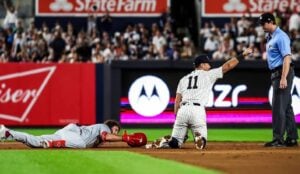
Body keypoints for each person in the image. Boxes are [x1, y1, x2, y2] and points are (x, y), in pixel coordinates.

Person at [146, 48, 253, 150]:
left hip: (183, 110)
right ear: (202, 65)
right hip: (197, 111)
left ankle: (170, 140)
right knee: (202, 143)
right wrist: (242, 55)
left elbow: (177, 101)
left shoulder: (183, 79)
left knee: (176, 143)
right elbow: (228, 65)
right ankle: (199, 137)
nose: (210, 66)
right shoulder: (208, 75)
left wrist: (177, 118)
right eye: (207, 63)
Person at [258, 12, 298, 147]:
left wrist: (283, 77)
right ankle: (292, 138)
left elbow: (287, 57)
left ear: (270, 22)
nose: (262, 26)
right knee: (286, 107)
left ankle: (278, 139)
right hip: (277, 72)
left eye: (263, 23)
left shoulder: (281, 37)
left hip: (282, 71)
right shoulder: (270, 36)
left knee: (278, 107)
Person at [0, 120, 147, 148]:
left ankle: (7, 132)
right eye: (116, 130)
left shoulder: (96, 134)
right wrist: (124, 138)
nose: (116, 132)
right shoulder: (105, 127)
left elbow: (105, 140)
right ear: (111, 126)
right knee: (82, 145)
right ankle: (51, 144)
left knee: (36, 141)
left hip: (67, 132)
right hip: (75, 135)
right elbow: (106, 136)